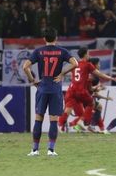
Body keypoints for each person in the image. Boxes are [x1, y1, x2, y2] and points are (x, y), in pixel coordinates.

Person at [23, 28, 78, 156]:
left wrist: (32, 80)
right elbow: (75, 63)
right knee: (53, 120)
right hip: (55, 89)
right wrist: (62, 73)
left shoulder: (38, 51)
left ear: (44, 39)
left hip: (42, 88)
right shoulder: (62, 51)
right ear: (56, 38)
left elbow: (25, 67)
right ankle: (51, 150)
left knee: (38, 119)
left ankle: (35, 150)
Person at [58, 48, 116, 132]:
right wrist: (111, 78)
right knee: (91, 103)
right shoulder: (87, 64)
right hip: (80, 90)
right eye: (88, 53)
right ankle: (82, 123)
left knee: (68, 109)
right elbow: (99, 74)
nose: (89, 55)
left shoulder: (74, 63)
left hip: (71, 89)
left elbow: (67, 73)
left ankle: (60, 126)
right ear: (85, 54)